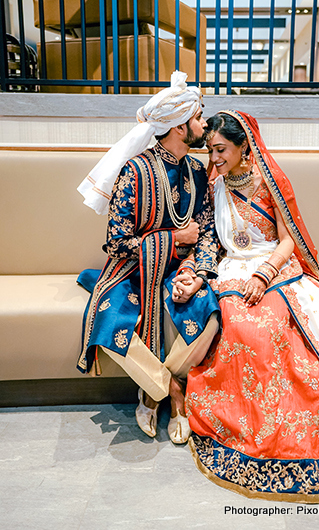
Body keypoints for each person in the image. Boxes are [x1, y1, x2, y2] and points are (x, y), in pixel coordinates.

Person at [184, 110, 319, 501]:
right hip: (232, 271)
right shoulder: (215, 186)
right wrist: (198, 271)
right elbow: (210, 240)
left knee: (274, 325)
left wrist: (264, 274)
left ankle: (298, 424)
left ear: (245, 146)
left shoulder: (270, 182)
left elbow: (287, 240)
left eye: (221, 150)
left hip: (275, 268)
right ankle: (249, 426)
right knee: (241, 325)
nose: (214, 159)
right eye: (210, 151)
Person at [76, 71, 219, 444]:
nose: (204, 125)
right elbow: (116, 241)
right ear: (178, 126)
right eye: (198, 118)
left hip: (180, 269)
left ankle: (149, 387)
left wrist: (197, 271)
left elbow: (206, 232)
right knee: (108, 323)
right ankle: (171, 391)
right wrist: (173, 239)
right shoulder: (135, 171)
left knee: (210, 316)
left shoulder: (198, 172)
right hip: (131, 270)